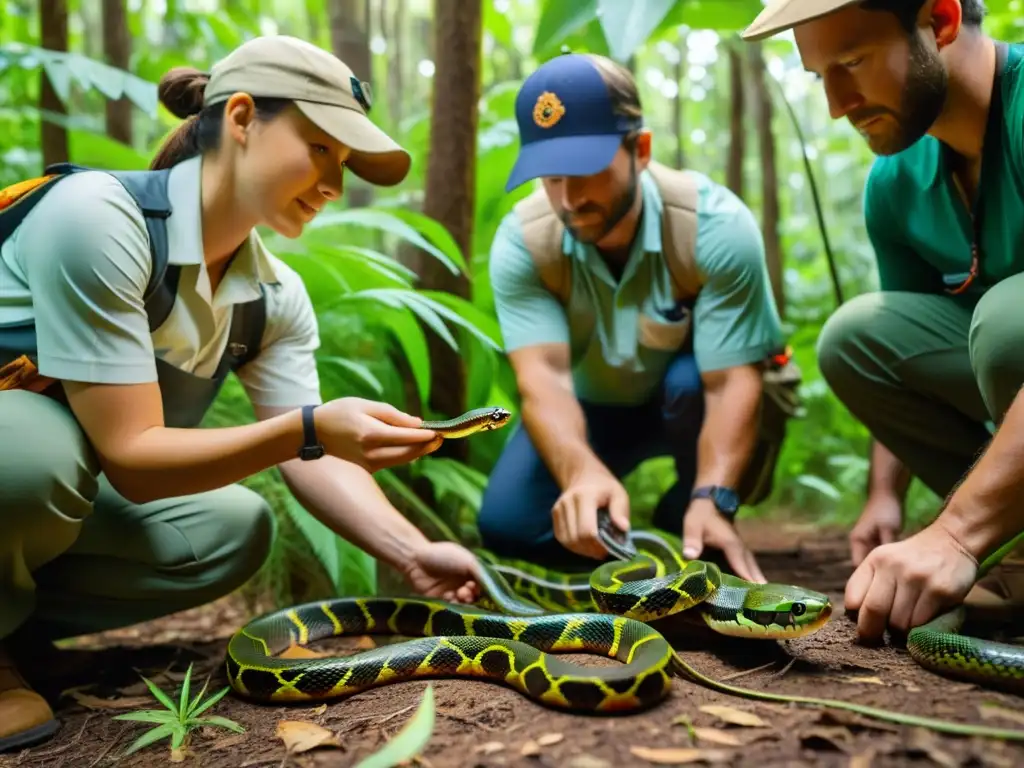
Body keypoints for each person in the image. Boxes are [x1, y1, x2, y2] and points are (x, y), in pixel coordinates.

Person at [0, 35, 484, 753]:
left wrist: (412, 550)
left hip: (48, 509)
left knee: (231, 529)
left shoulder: (272, 298)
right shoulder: (98, 217)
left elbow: (311, 455)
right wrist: (306, 427)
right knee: (33, 459)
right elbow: (134, 458)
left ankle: (17, 623)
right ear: (242, 118)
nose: (332, 183)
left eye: (343, 163)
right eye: (319, 147)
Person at [741, 0, 1024, 642]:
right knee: (855, 339)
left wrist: (955, 532)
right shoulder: (896, 181)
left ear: (942, 20)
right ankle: (1008, 538)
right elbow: (903, 354)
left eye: (853, 62)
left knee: (1008, 323)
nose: (838, 104)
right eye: (820, 77)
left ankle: (985, 532)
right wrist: (883, 496)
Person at [477, 52, 789, 581]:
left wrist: (712, 495)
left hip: (689, 399)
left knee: (690, 390)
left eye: (586, 171)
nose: (569, 198)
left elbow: (730, 382)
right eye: (551, 177)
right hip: (592, 406)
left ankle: (695, 519)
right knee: (508, 524)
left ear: (639, 151)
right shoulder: (524, 241)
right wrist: (579, 473)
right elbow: (544, 380)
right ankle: (636, 545)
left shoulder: (715, 227)